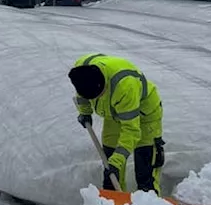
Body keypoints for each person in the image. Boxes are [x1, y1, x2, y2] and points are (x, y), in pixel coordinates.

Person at [68, 54, 165, 195]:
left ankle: (150, 201)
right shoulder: (81, 70)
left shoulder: (125, 86)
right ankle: (114, 200)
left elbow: (131, 131)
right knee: (110, 167)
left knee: (145, 164)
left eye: (100, 94)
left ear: (104, 85)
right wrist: (85, 112)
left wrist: (118, 161)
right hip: (113, 114)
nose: (98, 98)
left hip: (144, 115)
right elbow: (81, 95)